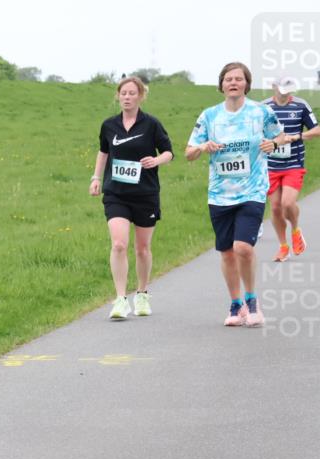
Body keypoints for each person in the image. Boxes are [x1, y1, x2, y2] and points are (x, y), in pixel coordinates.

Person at [186, 62, 286, 327]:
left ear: (246, 84)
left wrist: (273, 143)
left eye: (238, 79)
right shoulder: (209, 116)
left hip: (252, 190)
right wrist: (203, 147)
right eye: (228, 79)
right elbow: (189, 153)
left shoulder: (261, 112)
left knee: (243, 247)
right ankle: (235, 304)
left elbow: (281, 136)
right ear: (221, 85)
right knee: (227, 252)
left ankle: (252, 301)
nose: (233, 83)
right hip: (219, 194)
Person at [89, 76, 174, 318]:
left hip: (145, 194)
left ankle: (142, 293)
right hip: (116, 193)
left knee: (142, 249)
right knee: (118, 244)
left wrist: (156, 160)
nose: (127, 97)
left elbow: (169, 152)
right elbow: (103, 152)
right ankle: (120, 300)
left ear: (140, 96)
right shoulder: (109, 125)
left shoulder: (151, 124)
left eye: (132, 93)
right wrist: (96, 178)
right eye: (123, 93)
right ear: (118, 96)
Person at [263, 76, 319, 261]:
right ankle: (283, 246)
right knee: (276, 208)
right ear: (274, 87)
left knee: (287, 203)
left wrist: (297, 136)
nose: (285, 95)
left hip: (294, 163)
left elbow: (317, 129)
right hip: (271, 165)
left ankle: (295, 231)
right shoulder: (263, 107)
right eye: (282, 91)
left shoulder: (300, 105)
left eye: (288, 91)